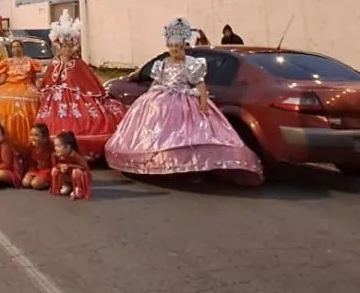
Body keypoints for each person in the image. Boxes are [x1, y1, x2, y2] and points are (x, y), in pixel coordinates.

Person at [104, 17, 264, 186]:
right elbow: (157, 83)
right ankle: (159, 164)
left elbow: (200, 83)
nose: (174, 50)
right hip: (162, 99)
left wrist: (203, 103)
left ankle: (191, 167)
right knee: (160, 134)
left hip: (186, 101)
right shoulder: (163, 64)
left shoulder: (191, 64)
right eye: (171, 47)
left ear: (183, 46)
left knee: (189, 136)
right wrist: (149, 98)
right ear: (168, 47)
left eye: (178, 47)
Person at [34, 10, 125, 160]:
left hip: (76, 98)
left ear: (74, 47)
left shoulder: (79, 64)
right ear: (60, 47)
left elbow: (89, 82)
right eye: (64, 46)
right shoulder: (54, 62)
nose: (67, 50)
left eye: (70, 47)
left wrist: (96, 95)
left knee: (86, 120)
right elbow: (47, 81)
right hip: (54, 101)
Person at [50, 131, 91, 200]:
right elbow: (55, 165)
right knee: (55, 170)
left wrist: (69, 166)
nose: (56, 148)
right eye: (55, 146)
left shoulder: (75, 155)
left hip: (77, 174)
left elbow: (85, 167)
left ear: (68, 147)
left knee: (75, 172)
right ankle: (65, 185)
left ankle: (79, 188)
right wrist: (60, 166)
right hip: (67, 174)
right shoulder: (55, 155)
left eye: (59, 146)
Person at [22, 124, 53, 190]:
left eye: (36, 135)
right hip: (35, 169)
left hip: (46, 170)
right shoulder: (31, 147)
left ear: (44, 138)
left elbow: (54, 164)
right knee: (25, 183)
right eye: (31, 135)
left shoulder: (50, 148)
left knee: (35, 184)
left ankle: (49, 183)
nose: (32, 137)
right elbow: (30, 162)